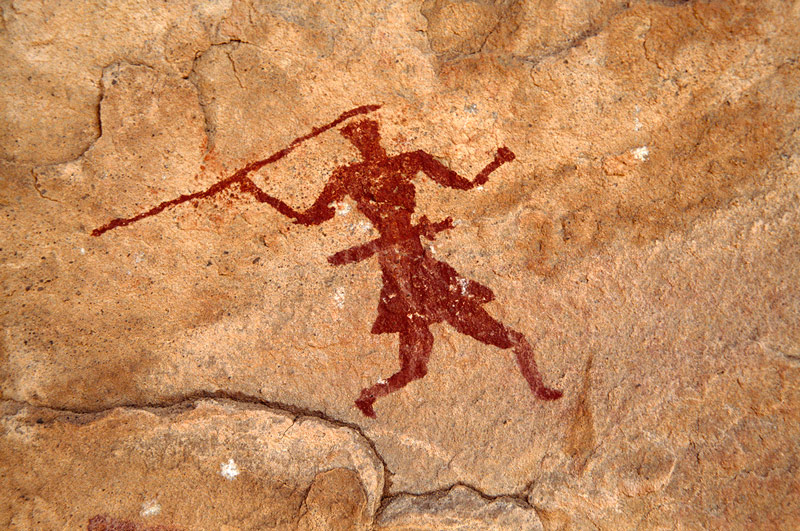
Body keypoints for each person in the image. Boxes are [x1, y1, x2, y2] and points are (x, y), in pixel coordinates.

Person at [258, 118, 562, 417]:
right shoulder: (349, 175)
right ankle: (368, 396)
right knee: (416, 364)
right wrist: (258, 194)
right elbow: (308, 217)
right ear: (352, 141)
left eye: (369, 134)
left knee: (507, 336)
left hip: (425, 266)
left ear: (377, 136)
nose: (366, 142)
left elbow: (466, 184)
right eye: (358, 136)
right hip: (400, 269)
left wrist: (495, 164)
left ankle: (539, 388)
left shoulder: (409, 161)